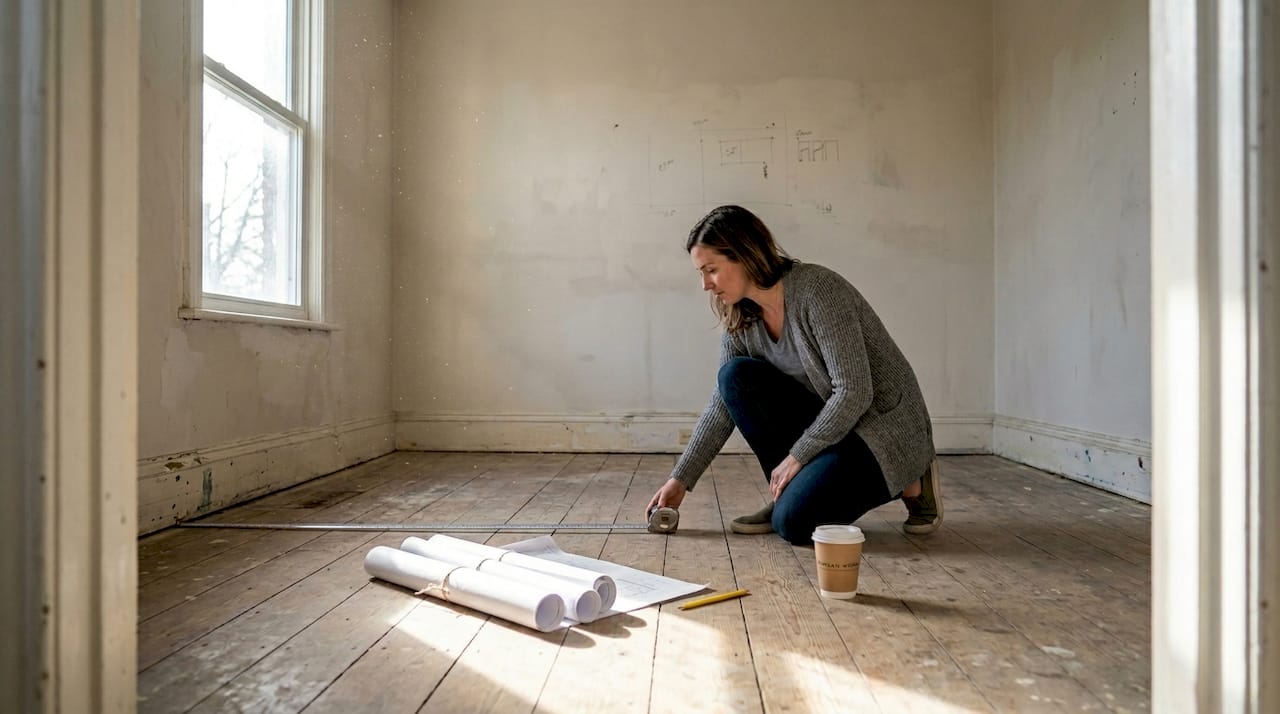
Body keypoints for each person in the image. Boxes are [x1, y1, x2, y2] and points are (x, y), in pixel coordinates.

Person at [644, 205, 942, 545]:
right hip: (836, 427)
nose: (704, 285)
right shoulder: (741, 316)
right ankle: (789, 494)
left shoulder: (818, 292)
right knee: (734, 377)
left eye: (711, 270)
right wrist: (680, 479)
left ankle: (913, 481)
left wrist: (798, 456)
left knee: (794, 524)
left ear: (745, 255)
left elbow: (854, 391)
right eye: (701, 273)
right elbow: (721, 406)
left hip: (882, 429)